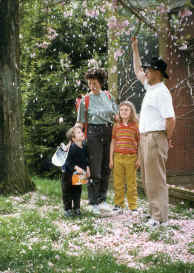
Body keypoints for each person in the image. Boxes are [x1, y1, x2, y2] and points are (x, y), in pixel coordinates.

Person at [131, 37, 176, 227]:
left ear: (157, 72)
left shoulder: (162, 92)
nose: (146, 72)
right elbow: (137, 71)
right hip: (147, 138)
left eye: (149, 69)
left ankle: (160, 218)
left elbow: (171, 119)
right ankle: (154, 215)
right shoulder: (151, 87)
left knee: (156, 178)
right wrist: (135, 49)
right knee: (148, 178)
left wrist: (167, 137)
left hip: (156, 137)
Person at [77, 68, 118, 214]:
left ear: (100, 82)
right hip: (93, 133)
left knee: (106, 166)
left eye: (94, 83)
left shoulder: (108, 96)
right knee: (95, 167)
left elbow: (116, 114)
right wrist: (75, 136)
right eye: (89, 83)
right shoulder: (85, 100)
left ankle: (102, 199)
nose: (92, 86)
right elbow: (80, 122)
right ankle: (93, 202)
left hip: (108, 131)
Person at [109, 101, 140, 213]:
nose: (124, 112)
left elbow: (140, 143)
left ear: (131, 112)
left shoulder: (136, 126)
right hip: (118, 157)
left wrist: (139, 159)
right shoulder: (116, 126)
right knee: (118, 182)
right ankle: (118, 204)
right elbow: (113, 142)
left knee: (131, 183)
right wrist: (111, 159)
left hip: (131, 157)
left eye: (126, 110)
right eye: (121, 110)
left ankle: (133, 206)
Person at [61, 125, 90, 217]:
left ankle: (77, 207)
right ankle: (67, 209)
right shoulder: (72, 148)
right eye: (78, 132)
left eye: (81, 131)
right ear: (73, 138)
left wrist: (87, 168)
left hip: (78, 174)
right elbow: (68, 162)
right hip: (68, 174)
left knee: (77, 190)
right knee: (67, 191)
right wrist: (76, 167)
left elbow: (86, 159)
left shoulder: (84, 146)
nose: (81, 133)